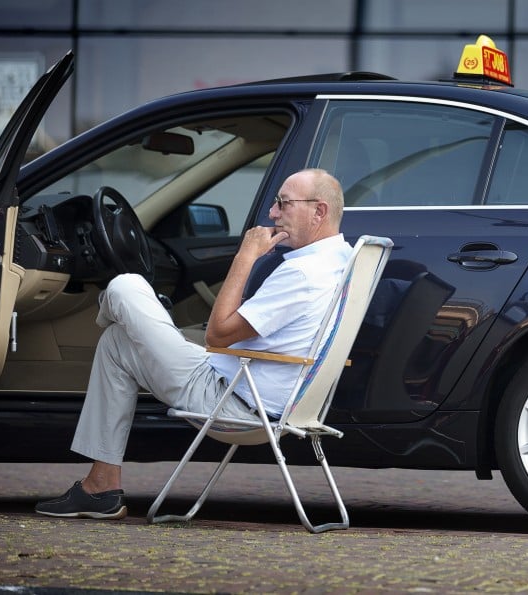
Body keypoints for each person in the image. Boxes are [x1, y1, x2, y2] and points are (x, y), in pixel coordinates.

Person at [35, 168, 352, 520]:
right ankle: (100, 487)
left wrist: (245, 256)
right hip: (266, 394)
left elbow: (217, 335)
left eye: (283, 203)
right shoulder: (342, 259)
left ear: (319, 212)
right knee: (116, 342)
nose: (272, 214)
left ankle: (118, 316)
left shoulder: (302, 274)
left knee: (125, 286)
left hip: (233, 401)